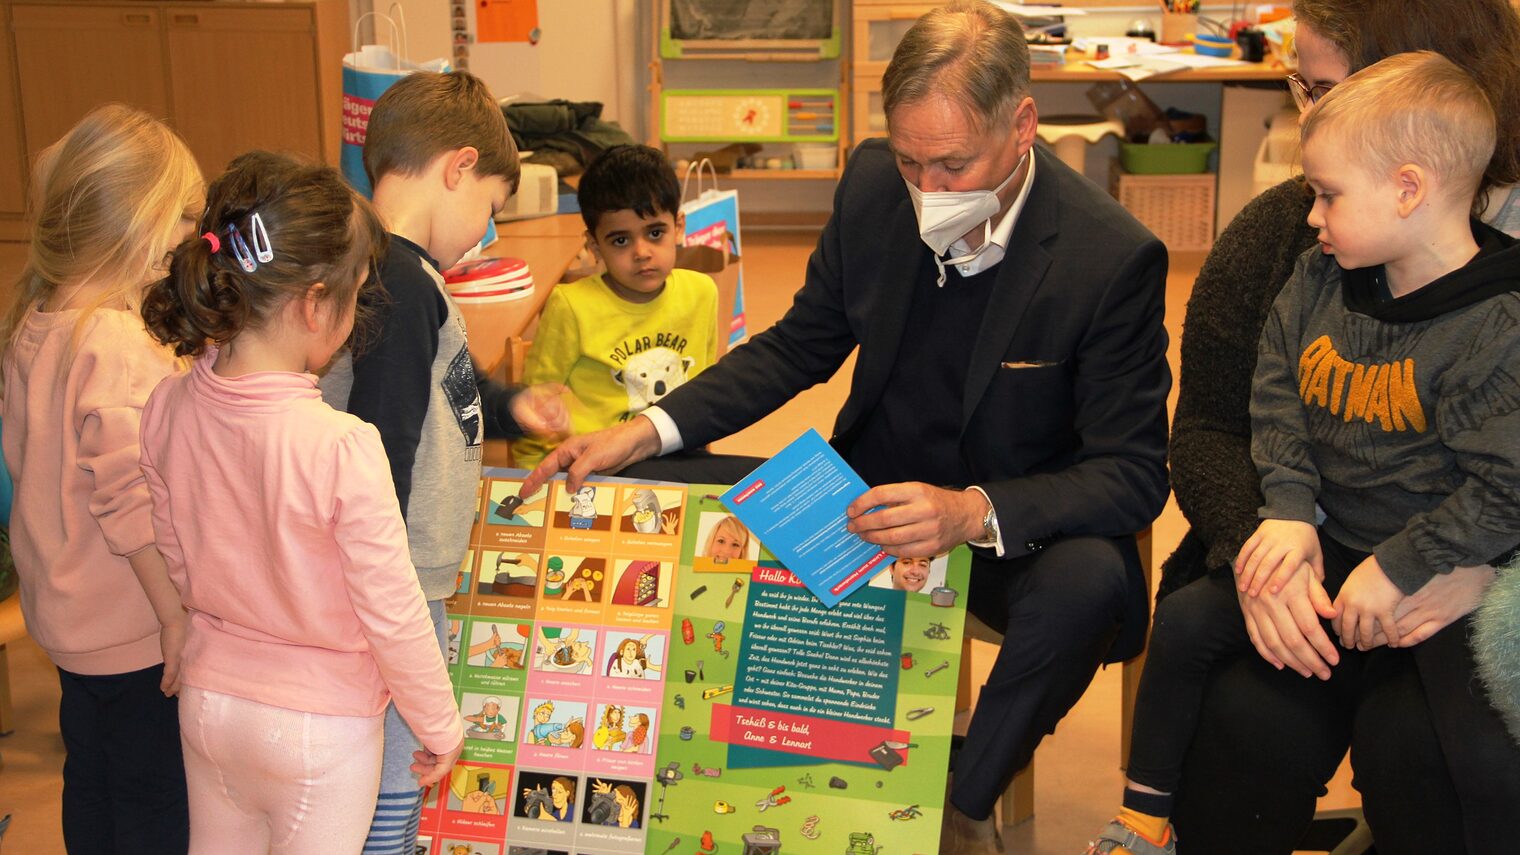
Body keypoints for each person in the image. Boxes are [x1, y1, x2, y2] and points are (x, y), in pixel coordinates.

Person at [521, 3, 1169, 849]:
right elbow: (798, 346)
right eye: (911, 162)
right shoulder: (872, 185)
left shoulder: (1110, 256)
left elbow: (1131, 472)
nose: (927, 191)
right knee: (633, 477)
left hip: (1014, 531)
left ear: (1022, 128)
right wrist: (645, 429)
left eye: (952, 165)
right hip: (864, 504)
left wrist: (971, 510)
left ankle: (956, 800)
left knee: (1092, 585)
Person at [1090, 52, 1520, 855]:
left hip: (1430, 571)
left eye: (1328, 195)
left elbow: (1505, 489)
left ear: (1407, 189)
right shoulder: (1318, 278)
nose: (1312, 215)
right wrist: (1285, 511)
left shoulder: (1495, 328)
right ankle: (1144, 821)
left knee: (1470, 760)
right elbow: (1274, 397)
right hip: (1327, 548)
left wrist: (1405, 565)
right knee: (1184, 620)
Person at [138, 151, 464, 852]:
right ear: (316, 303)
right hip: (320, 727)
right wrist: (438, 722)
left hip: (210, 702)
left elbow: (177, 549)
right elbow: (392, 605)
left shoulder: (167, 404)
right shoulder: (340, 444)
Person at [316, 70, 568, 854]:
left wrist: (507, 403)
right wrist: (381, 572)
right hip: (394, 574)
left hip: (394, 569)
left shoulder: (398, 271)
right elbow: (381, 437)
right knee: (398, 774)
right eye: (491, 208)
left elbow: (434, 388)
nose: (487, 233)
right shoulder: (404, 278)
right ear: (457, 167)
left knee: (393, 765)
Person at [0, 104, 198, 852]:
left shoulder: (37, 319)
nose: (186, 238)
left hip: (66, 619)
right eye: (179, 217)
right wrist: (175, 615)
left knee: (92, 780)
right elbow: (129, 502)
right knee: (155, 801)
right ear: (133, 223)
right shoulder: (110, 337)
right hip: (136, 628)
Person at [511, 144, 719, 468]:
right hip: (599, 469)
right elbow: (537, 405)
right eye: (621, 240)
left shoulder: (702, 293)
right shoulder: (570, 306)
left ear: (678, 227)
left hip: (677, 455)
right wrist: (532, 485)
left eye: (654, 233)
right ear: (594, 245)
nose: (641, 252)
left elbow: (703, 396)